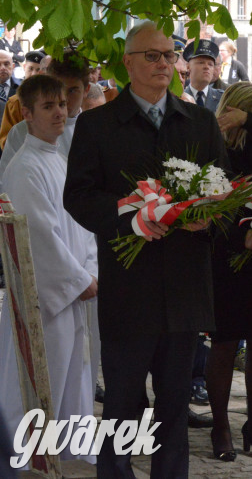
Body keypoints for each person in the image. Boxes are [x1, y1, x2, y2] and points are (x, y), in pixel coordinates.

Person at [65, 22, 228, 477]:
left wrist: (210, 216)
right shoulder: (97, 124)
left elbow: (227, 191)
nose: (163, 63)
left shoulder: (199, 121)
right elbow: (78, 197)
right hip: (128, 287)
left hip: (185, 287)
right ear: (128, 62)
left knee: (174, 404)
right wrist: (131, 217)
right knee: (122, 403)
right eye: (152, 56)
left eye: (169, 55)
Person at [0, 75, 98, 464]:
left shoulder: (58, 159)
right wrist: (78, 279)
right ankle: (23, 460)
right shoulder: (25, 167)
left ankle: (61, 456)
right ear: (26, 113)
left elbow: (81, 227)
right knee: (38, 382)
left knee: (69, 379)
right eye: (48, 106)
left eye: (61, 104)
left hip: (70, 292)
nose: (60, 112)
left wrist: (89, 269)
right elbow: (36, 237)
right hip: (44, 300)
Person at [204, 83, 252, 462]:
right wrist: (240, 236)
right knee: (225, 343)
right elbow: (206, 206)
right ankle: (220, 426)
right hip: (227, 254)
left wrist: (251, 120)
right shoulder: (215, 147)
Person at [0, 53, 90, 182]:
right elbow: (6, 180)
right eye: (58, 89)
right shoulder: (22, 131)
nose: (64, 97)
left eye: (72, 91)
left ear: (86, 90)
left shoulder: (94, 129)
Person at [184, 39, 225, 111]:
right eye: (201, 62)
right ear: (188, 67)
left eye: (210, 64)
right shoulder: (179, 98)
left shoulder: (223, 98)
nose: (206, 67)